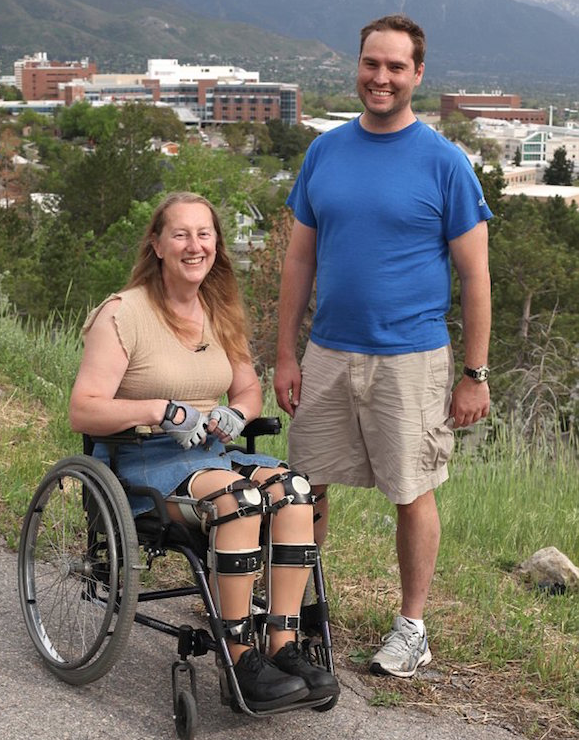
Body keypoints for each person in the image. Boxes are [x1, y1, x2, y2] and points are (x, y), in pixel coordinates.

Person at [274, 14, 492, 679]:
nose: (381, 77)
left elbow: (475, 274)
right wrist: (285, 352)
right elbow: (298, 262)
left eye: (396, 67)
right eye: (372, 63)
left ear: (417, 75)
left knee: (411, 490)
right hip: (329, 351)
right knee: (305, 485)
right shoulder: (325, 151)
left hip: (411, 357)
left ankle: (411, 627)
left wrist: (474, 374)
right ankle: (297, 611)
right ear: (358, 65)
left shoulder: (444, 163)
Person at [69, 191, 339, 710]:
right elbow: (84, 409)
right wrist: (160, 411)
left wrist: (236, 412)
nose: (195, 246)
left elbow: (247, 388)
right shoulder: (123, 313)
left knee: (294, 489)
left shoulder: (218, 310)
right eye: (181, 234)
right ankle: (238, 656)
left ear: (216, 243)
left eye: (205, 234)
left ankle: (282, 647)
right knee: (238, 501)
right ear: (157, 245)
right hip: (146, 464)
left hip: (212, 457)